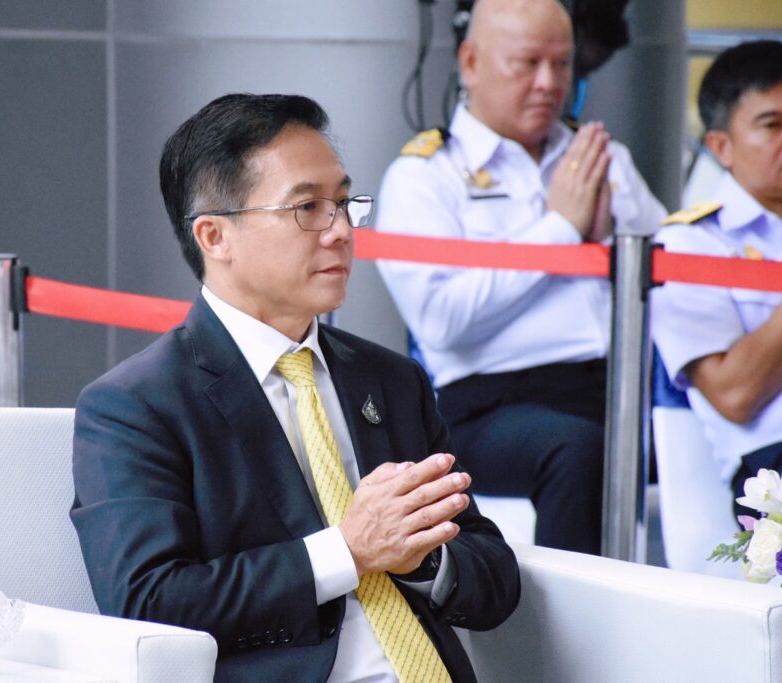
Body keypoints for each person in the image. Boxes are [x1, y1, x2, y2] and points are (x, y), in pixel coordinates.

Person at [71, 93, 520, 683]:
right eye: (308, 207)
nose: (341, 231)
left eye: (344, 204)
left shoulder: (391, 379)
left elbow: (493, 576)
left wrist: (422, 560)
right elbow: (149, 601)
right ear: (214, 236)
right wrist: (347, 552)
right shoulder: (135, 405)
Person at [375, 0, 666, 554]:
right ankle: (576, 614)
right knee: (575, 450)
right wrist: (560, 231)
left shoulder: (599, 156)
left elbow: (681, 272)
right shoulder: (425, 174)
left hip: (620, 386)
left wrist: (606, 242)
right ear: (470, 62)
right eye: (527, 62)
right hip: (489, 404)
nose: (549, 83)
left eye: (562, 63)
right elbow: (440, 322)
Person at [651, 40, 782, 517]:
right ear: (721, 146)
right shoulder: (689, 242)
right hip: (769, 467)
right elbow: (734, 394)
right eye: (772, 125)